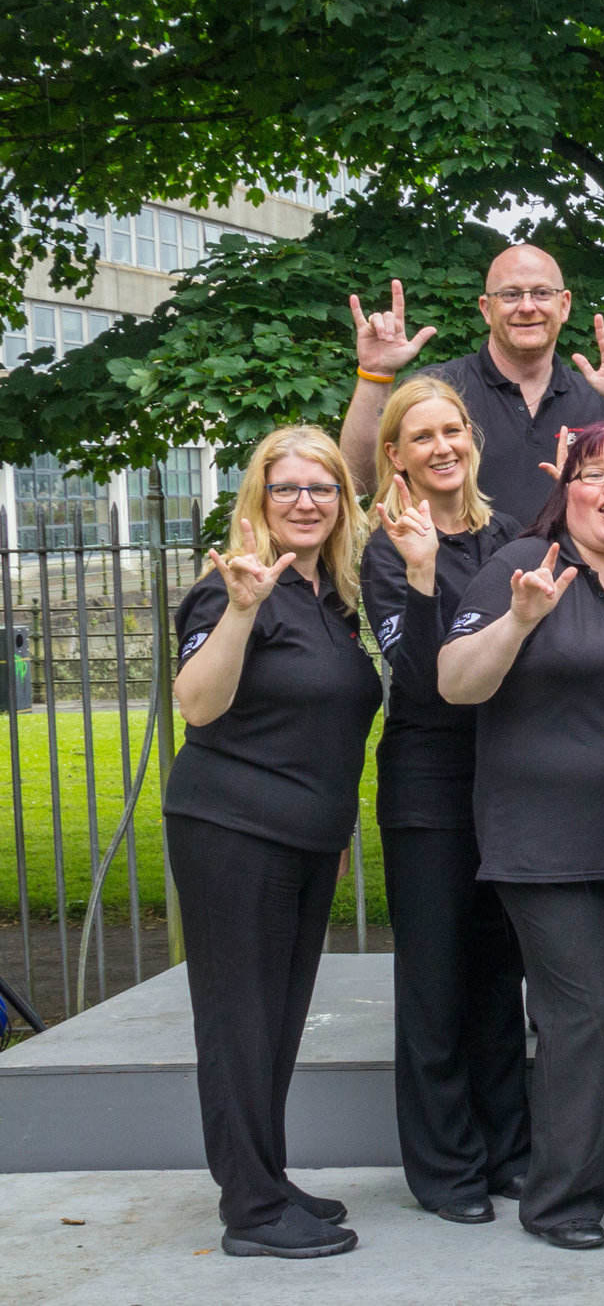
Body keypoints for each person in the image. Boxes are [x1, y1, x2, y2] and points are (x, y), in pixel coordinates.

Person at [438, 423, 604, 1250]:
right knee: (584, 1007)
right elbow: (454, 682)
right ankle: (558, 1199)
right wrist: (517, 622)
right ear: (569, 492)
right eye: (595, 474)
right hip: (539, 837)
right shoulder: (523, 564)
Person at [166, 425, 382, 1258]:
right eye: (287, 488)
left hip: (301, 839)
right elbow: (197, 703)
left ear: (340, 502)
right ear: (259, 497)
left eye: (321, 489)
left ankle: (266, 1177)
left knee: (279, 1019)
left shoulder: (331, 599)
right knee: (239, 1022)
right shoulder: (233, 592)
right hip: (233, 833)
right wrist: (244, 610)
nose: (306, 502)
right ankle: (251, 1213)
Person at [359, 379, 529, 1224]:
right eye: (419, 436)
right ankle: (446, 1168)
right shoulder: (390, 546)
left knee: (501, 977)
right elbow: (428, 684)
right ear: (395, 455)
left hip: (506, 784)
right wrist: (423, 576)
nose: (440, 446)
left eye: (451, 429)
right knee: (435, 982)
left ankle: (508, 1153)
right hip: (429, 786)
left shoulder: (507, 538)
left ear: (472, 437)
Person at [341, 249, 604, 523]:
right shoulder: (438, 390)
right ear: (485, 308)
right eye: (510, 294)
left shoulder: (595, 399)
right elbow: (360, 482)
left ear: (565, 304)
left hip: (571, 582)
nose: (528, 306)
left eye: (542, 293)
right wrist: (375, 375)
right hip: (452, 583)